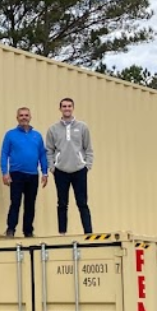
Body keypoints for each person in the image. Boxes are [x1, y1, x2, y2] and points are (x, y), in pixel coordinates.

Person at [46, 97, 93, 235]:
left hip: (79, 170)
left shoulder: (82, 127)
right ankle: (62, 233)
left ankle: (88, 232)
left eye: (69, 106)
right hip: (60, 171)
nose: (67, 108)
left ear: (73, 108)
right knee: (62, 203)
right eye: (64, 106)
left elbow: (88, 148)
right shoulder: (53, 129)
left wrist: (87, 165)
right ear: (60, 109)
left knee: (82, 203)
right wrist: (52, 167)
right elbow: (49, 150)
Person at [0, 106, 48, 238]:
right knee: (15, 202)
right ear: (17, 118)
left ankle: (28, 231)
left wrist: (44, 172)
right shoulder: (10, 135)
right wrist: (5, 172)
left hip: (32, 174)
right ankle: (10, 229)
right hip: (16, 174)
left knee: (30, 204)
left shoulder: (37, 136)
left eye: (26, 115)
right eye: (21, 115)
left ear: (30, 117)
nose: (24, 118)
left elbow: (42, 155)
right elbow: (4, 154)